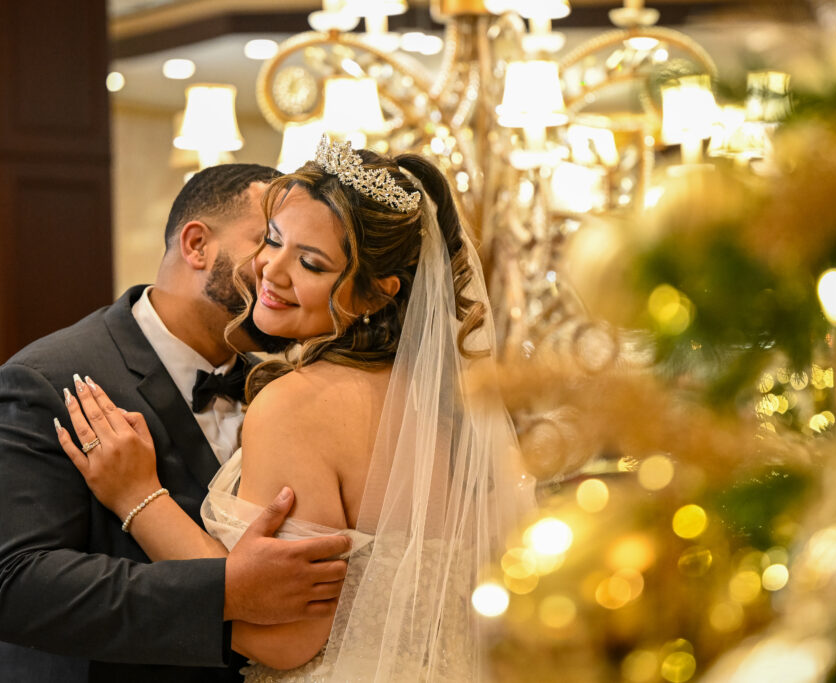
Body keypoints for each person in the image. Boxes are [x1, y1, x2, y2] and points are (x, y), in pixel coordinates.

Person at [57, 136, 535, 681]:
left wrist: (139, 499)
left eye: (310, 263)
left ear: (377, 293)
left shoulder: (299, 404)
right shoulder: (462, 403)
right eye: (273, 239)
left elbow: (286, 640)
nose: (271, 270)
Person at [0, 164, 352, 683]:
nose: (277, 268)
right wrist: (225, 590)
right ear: (196, 245)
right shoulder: (50, 379)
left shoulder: (284, 388)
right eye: (268, 240)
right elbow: (15, 583)